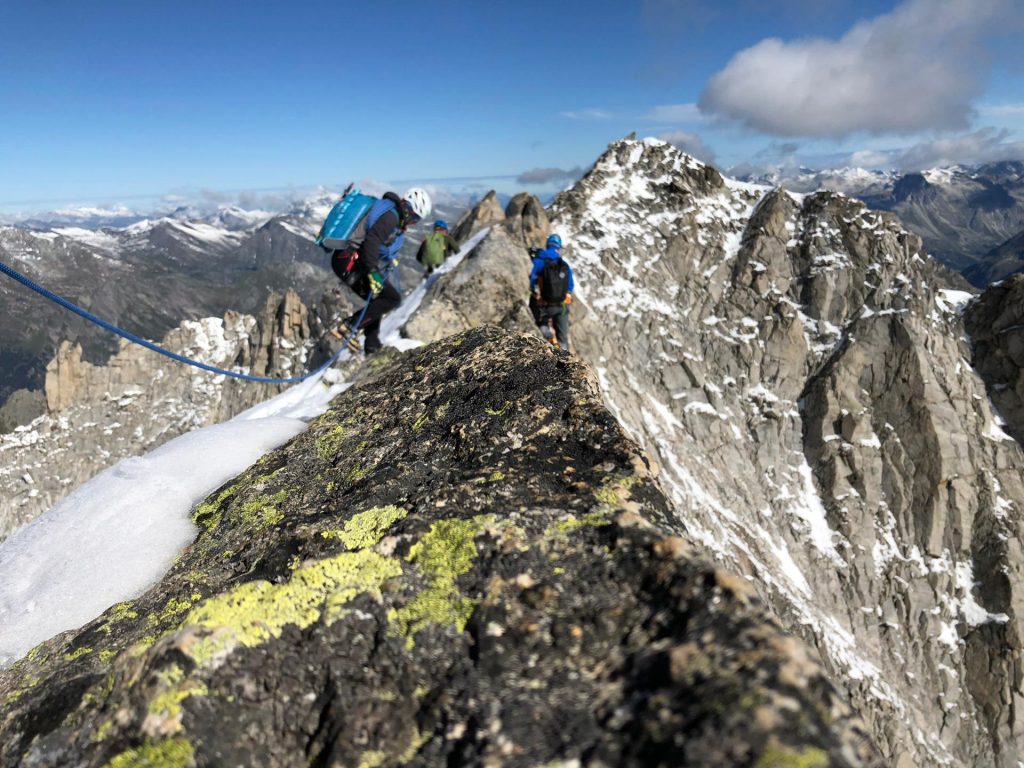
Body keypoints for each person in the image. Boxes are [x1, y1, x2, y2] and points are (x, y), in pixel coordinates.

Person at [333, 187, 431, 354]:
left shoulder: (391, 212)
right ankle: (350, 326)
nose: (413, 222)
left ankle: (371, 344)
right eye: (414, 218)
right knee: (391, 298)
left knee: (380, 298)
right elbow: (372, 240)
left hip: (347, 260)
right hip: (349, 262)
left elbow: (372, 240)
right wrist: (372, 272)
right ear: (409, 210)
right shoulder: (391, 217)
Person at [528, 234, 574, 351]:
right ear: (558, 248)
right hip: (562, 306)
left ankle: (547, 336)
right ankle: (565, 358)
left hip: (546, 305)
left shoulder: (539, 260)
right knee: (563, 338)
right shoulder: (564, 264)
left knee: (541, 324)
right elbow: (570, 286)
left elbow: (532, 280)